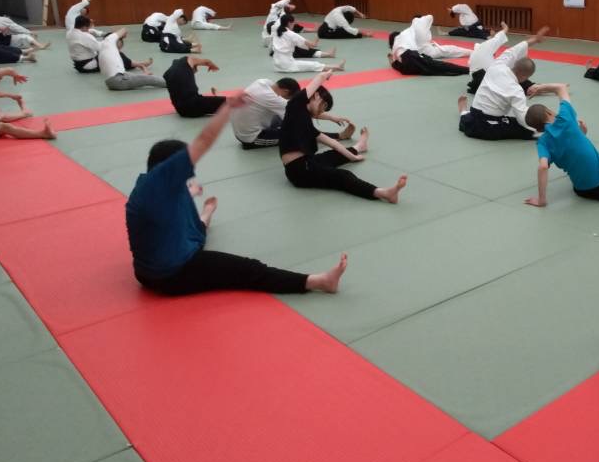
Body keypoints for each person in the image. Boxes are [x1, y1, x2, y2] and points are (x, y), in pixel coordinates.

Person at [127, 97, 349, 297]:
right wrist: (227, 108)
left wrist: (192, 193)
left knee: (196, 231)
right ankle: (318, 282)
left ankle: (206, 214)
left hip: (146, 272)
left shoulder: (145, 186)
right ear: (168, 168)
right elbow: (203, 141)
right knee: (248, 269)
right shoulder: (160, 184)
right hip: (171, 275)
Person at [280, 71, 405, 203]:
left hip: (306, 162)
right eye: (323, 105)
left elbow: (333, 143)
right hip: (299, 171)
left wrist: (353, 157)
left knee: (333, 155)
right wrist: (328, 73)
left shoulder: (305, 124)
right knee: (343, 176)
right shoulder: (294, 106)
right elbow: (319, 78)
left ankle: (359, 146)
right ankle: (383, 193)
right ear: (316, 95)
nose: (322, 110)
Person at [227, 76, 357, 148]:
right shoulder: (272, 98)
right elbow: (300, 112)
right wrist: (331, 117)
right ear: (285, 91)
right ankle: (339, 136)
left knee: (290, 119)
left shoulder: (263, 82)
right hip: (251, 137)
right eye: (289, 98)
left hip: (246, 126)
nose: (289, 100)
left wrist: (331, 117)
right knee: (298, 133)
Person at [456, 56, 561, 141]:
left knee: (470, 120)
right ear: (525, 77)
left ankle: (464, 112)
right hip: (489, 127)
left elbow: (509, 52)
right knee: (521, 128)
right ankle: (550, 133)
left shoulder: (497, 66)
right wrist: (540, 126)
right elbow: (522, 119)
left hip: (473, 116)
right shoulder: (516, 90)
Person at [466, 22, 550, 95]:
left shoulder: (475, 56)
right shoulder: (489, 48)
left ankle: (534, 87)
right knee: (510, 66)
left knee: (507, 64)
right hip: (491, 79)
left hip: (480, 86)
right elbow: (513, 50)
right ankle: (540, 87)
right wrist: (535, 39)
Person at [388, 16, 465, 76]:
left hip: (407, 68)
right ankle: (466, 70)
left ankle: (464, 70)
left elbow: (395, 61)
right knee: (440, 65)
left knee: (436, 67)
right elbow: (429, 17)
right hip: (412, 58)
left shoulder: (400, 42)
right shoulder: (406, 34)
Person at [96, 28, 166, 91]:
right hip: (119, 80)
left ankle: (147, 76)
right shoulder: (109, 40)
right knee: (150, 79)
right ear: (117, 40)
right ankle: (170, 83)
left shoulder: (102, 48)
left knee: (137, 76)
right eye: (121, 41)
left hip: (111, 82)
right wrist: (122, 35)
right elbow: (124, 29)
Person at [271, 14, 343, 73]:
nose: (294, 25)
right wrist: (318, 35)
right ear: (289, 23)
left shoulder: (276, 31)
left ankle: (335, 66)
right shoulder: (291, 34)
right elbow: (312, 45)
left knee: (307, 63)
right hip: (287, 65)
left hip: (277, 64)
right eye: (293, 23)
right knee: (312, 65)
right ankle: (336, 67)